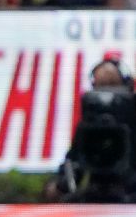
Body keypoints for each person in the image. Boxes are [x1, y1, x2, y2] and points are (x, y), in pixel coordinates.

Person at [43, 58, 136, 203]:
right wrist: (60, 185)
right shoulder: (87, 127)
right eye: (102, 86)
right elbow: (70, 170)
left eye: (112, 85)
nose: (107, 93)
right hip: (94, 200)